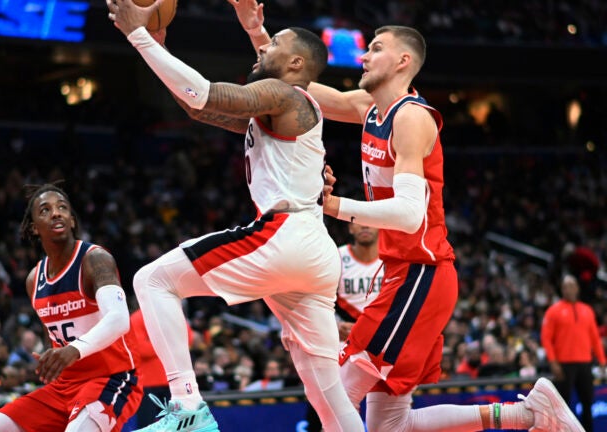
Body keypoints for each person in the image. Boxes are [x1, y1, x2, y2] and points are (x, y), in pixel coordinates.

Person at [229, 1, 585, 430]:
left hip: (423, 272)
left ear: (402, 61)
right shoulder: (367, 106)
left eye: (375, 48)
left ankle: (532, 411)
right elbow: (290, 81)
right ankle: (527, 413)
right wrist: (256, 30)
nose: (363, 55)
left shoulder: (412, 118)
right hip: (401, 273)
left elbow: (411, 215)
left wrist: (334, 205)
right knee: (388, 426)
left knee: (333, 398)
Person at [107, 1, 364, 431]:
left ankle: (188, 409)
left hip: (287, 234)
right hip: (315, 253)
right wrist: (156, 46)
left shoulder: (284, 93)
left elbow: (205, 92)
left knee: (151, 280)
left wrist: (138, 36)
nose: (262, 50)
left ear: (296, 62)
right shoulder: (278, 109)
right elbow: (197, 108)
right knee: (327, 394)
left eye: (274, 44)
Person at [0, 183, 142, 432]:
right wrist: (48, 360)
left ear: (71, 220)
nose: (56, 213)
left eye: (62, 208)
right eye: (45, 210)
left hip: (111, 377)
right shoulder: (33, 280)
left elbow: (119, 319)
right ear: (33, 227)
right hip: (64, 387)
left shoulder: (94, 260)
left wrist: (73, 350)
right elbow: (53, 338)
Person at [307, 221, 382, 431]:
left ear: (380, 226)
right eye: (356, 222)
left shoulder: (390, 258)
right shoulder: (336, 257)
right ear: (350, 229)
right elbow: (315, 297)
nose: (364, 226)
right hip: (342, 342)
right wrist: (334, 324)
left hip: (381, 342)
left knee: (390, 412)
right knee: (333, 404)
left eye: (368, 223)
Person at [541, 274, 606, 432]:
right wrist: (553, 361)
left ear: (577, 288)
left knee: (588, 404)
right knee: (562, 406)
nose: (568, 289)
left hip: (585, 363)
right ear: (562, 289)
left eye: (571, 285)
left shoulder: (587, 310)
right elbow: (546, 338)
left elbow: (595, 338)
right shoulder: (553, 311)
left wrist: (603, 361)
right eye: (565, 286)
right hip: (563, 365)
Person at [130, 308, 194, 428]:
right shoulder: (137, 318)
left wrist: (156, 344)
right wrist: (171, 344)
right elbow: (140, 349)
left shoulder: (173, 312)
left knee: (177, 426)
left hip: (173, 383)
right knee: (147, 426)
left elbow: (188, 338)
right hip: (148, 385)